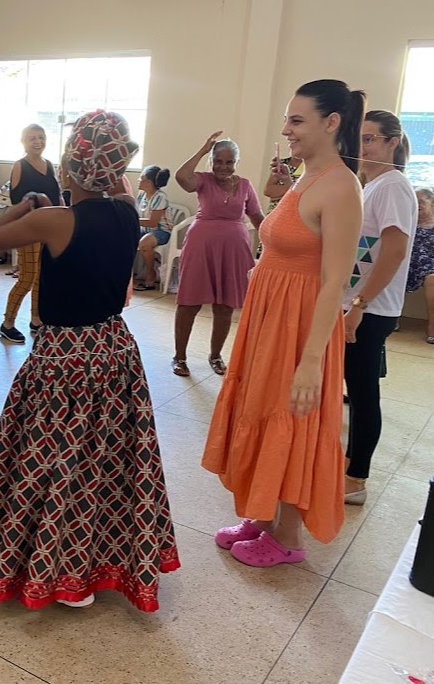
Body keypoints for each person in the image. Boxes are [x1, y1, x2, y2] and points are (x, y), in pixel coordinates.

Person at [0, 110, 179, 611]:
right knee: (103, 461)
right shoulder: (127, 211)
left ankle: (55, 567)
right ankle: (94, 557)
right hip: (114, 347)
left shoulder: (54, 220)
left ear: (67, 167)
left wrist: (27, 206)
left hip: (65, 357)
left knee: (56, 461)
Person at [202, 79, 365, 567]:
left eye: (296, 120)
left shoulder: (340, 185)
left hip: (301, 327)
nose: (286, 129)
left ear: (331, 122)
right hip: (271, 318)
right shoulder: (305, 176)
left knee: (293, 416)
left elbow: (335, 279)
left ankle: (288, 536)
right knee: (261, 404)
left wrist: (312, 361)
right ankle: (263, 514)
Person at [342, 111, 417, 506]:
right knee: (354, 386)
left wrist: (359, 303)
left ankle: (356, 478)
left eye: (371, 138)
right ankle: (349, 464)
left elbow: (395, 250)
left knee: (363, 391)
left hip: (371, 310)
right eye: (360, 139)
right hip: (359, 304)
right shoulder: (370, 186)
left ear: (392, 141)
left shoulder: (393, 187)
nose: (363, 147)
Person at [172, 135, 264, 377]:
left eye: (229, 162)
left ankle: (215, 355)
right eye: (218, 161)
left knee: (225, 305)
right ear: (211, 161)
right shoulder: (202, 180)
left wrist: (273, 244)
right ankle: (179, 357)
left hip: (234, 250)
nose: (223, 167)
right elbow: (182, 178)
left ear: (236, 162)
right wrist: (202, 150)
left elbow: (257, 217)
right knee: (189, 302)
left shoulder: (245, 185)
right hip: (201, 247)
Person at [0, 124, 61, 345]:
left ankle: (36, 320)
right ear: (23, 141)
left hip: (48, 230)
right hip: (28, 229)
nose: (37, 141)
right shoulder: (19, 166)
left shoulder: (50, 166)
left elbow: (57, 197)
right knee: (27, 277)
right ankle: (7, 324)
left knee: (41, 277)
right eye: (32, 138)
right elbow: (17, 201)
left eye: (41, 137)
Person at [134, 165, 173, 291]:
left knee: (144, 243)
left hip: (162, 231)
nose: (138, 180)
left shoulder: (160, 197)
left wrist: (131, 221)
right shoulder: (141, 195)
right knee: (123, 237)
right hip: (145, 230)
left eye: (141, 178)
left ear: (149, 182)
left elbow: (152, 223)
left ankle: (151, 274)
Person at [408, 187, 434, 344]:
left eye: (421, 202)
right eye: (415, 202)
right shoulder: (407, 220)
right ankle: (390, 317)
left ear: (432, 203)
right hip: (407, 263)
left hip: (430, 266)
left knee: (433, 279)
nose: (417, 205)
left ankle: (432, 326)